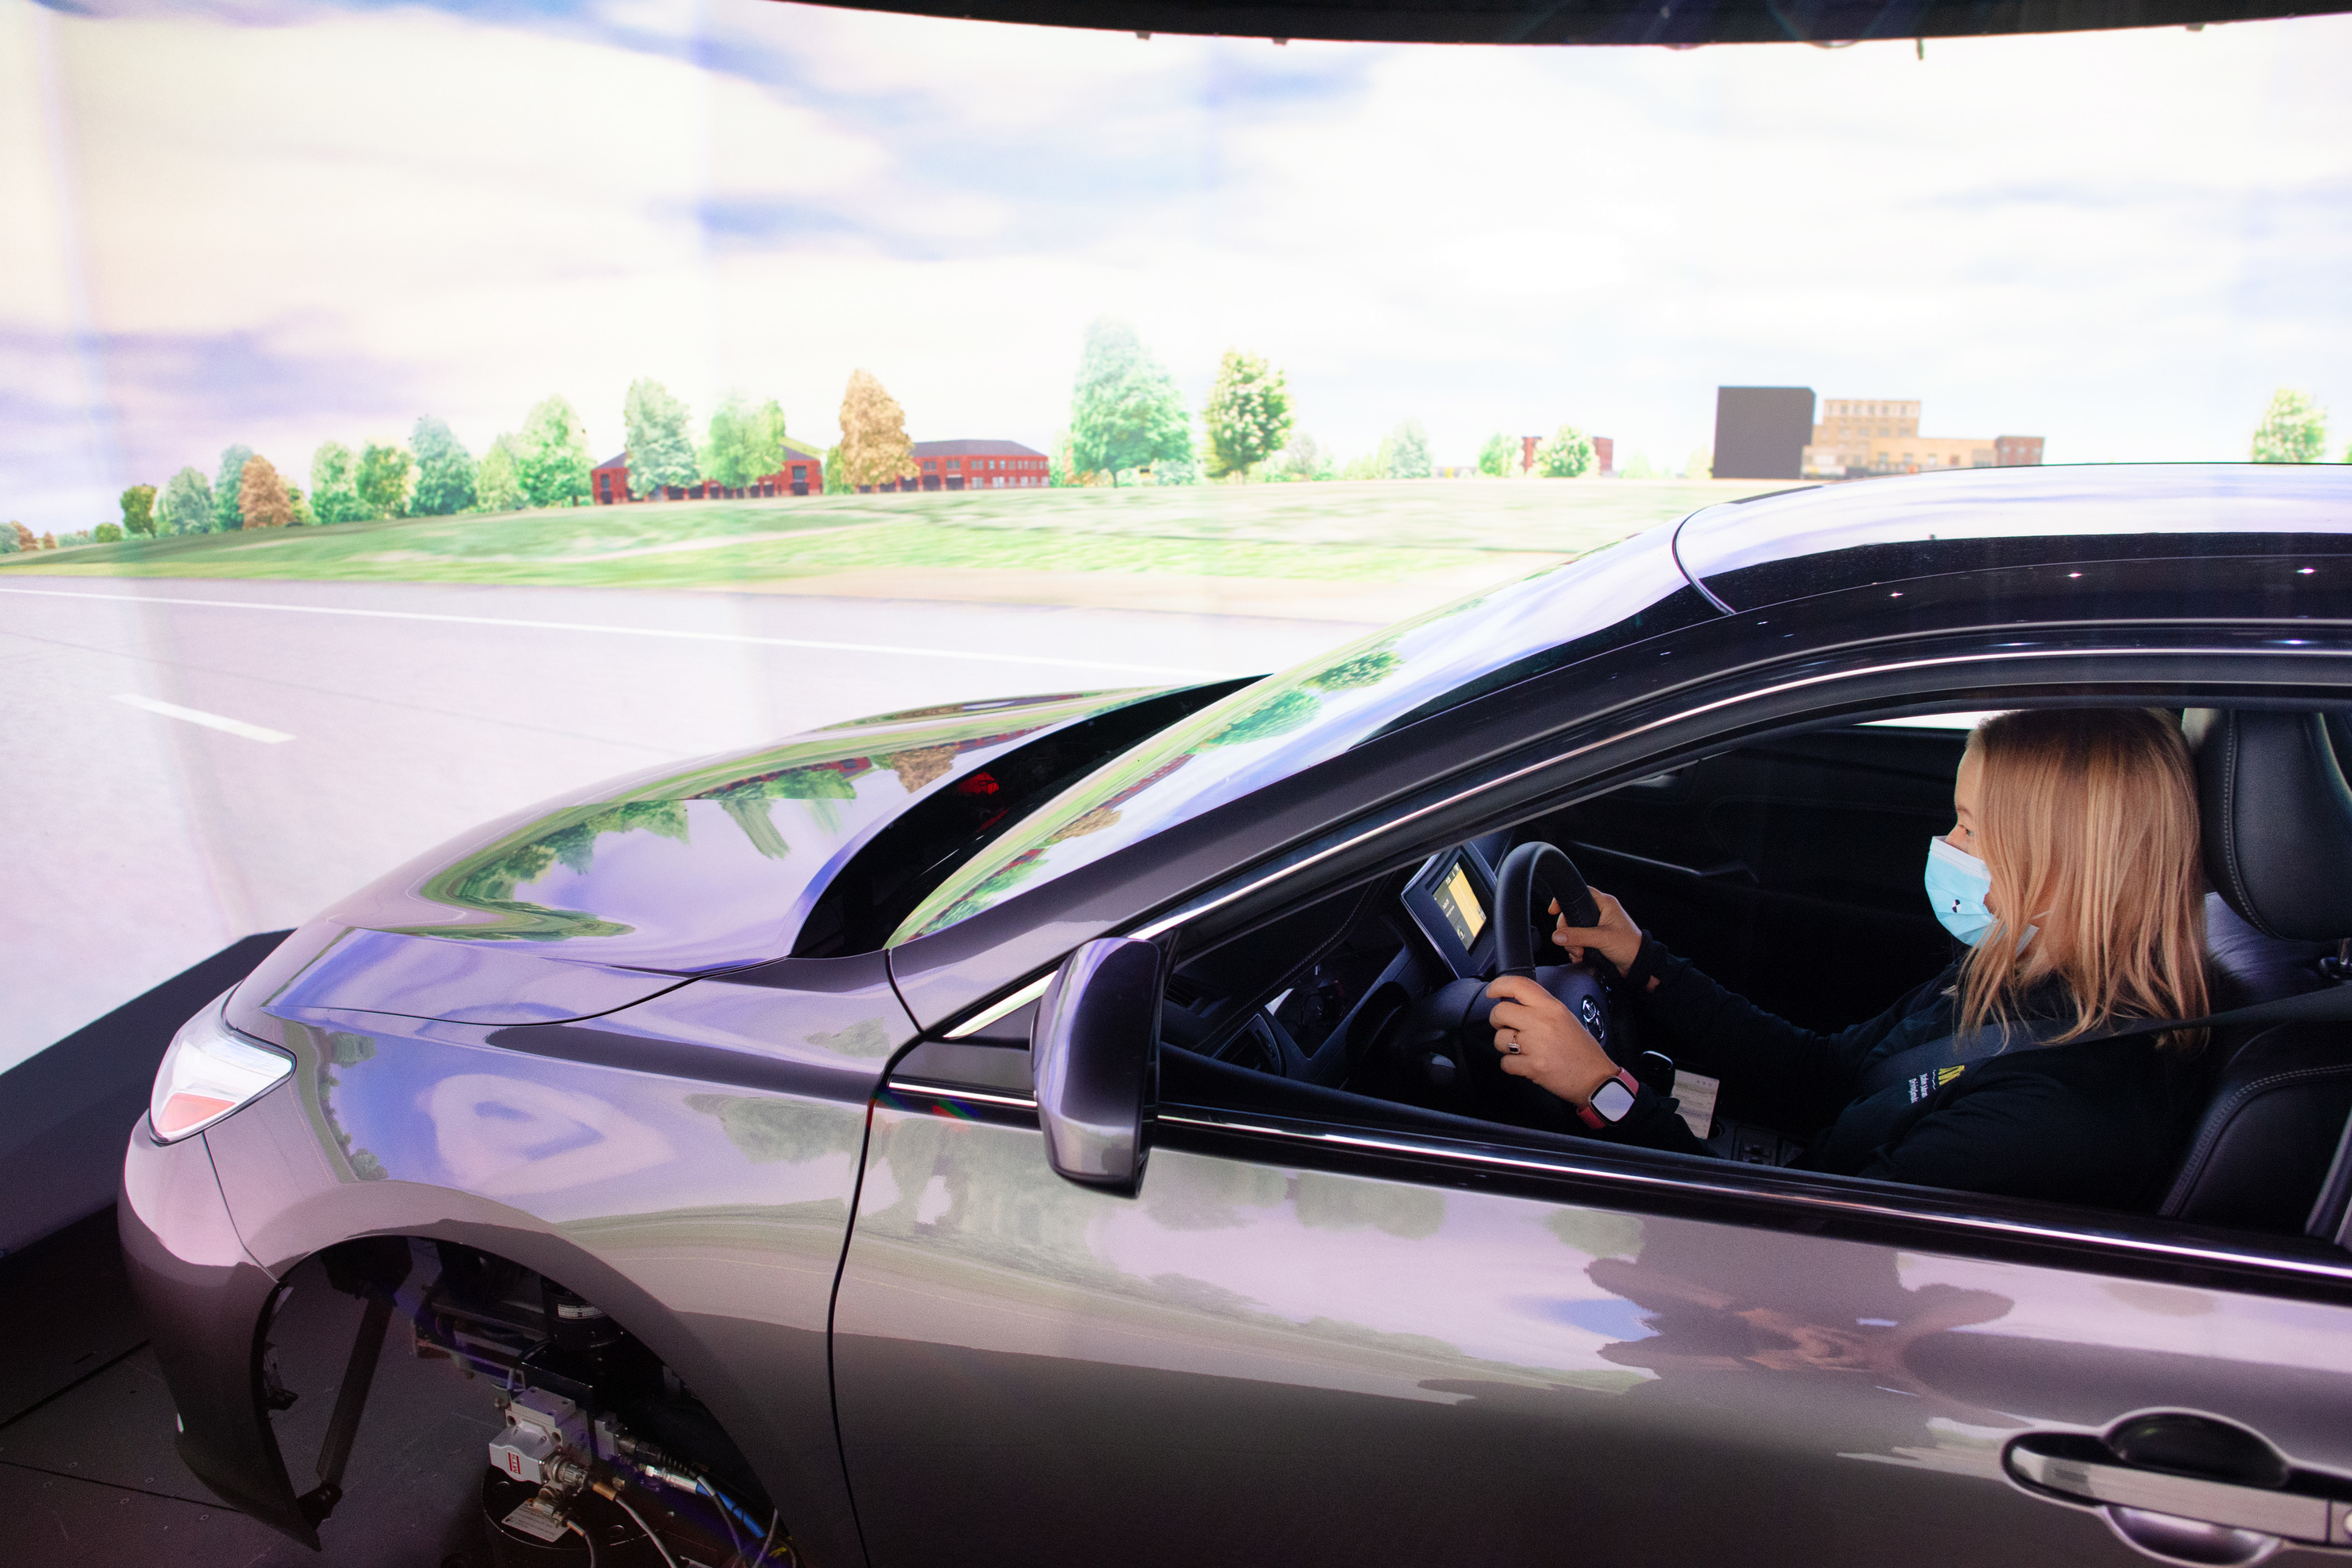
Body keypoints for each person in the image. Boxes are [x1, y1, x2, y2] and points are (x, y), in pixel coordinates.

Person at [1484, 708, 2209, 1208]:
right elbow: (1822, 1074)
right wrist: (1643, 959)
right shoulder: (2013, 975)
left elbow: (1792, 1247)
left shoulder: (2052, 1113)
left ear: (2062, 865)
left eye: (1969, 827)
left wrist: (1602, 1091)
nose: (1947, 848)